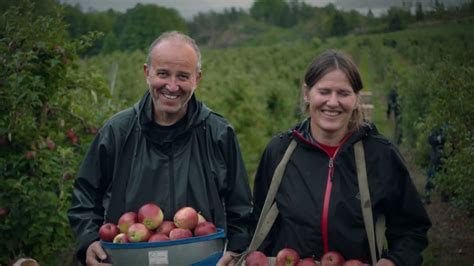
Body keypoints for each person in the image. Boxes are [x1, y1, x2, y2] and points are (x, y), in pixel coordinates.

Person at [67, 31, 253, 265]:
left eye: (183, 76)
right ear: (147, 73)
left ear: (197, 78)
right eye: (163, 74)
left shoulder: (217, 134)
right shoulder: (118, 132)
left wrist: (236, 249)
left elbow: (241, 206)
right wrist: (89, 240)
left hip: (201, 260)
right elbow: (85, 196)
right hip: (129, 259)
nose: (172, 86)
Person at [250, 50, 431, 265]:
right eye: (324, 91)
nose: (333, 102)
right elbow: (258, 223)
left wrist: (393, 261)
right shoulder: (280, 152)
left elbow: (411, 230)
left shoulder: (381, 155)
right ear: (307, 93)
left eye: (343, 93)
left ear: (356, 99)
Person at [424, 126, 446, 204]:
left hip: (447, 156)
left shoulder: (448, 126)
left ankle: (445, 197)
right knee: (431, 175)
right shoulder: (436, 127)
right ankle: (427, 195)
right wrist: (439, 139)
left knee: (445, 176)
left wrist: (440, 139)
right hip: (435, 157)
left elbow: (450, 139)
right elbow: (430, 139)